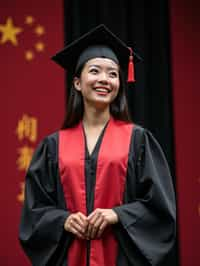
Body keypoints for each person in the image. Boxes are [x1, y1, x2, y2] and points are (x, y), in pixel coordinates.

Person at [19, 24, 176, 266]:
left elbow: (160, 210)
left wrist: (118, 214)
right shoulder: (53, 146)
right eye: (94, 71)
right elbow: (34, 212)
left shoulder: (138, 141)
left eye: (113, 74)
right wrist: (63, 220)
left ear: (119, 85)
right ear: (77, 83)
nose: (104, 79)